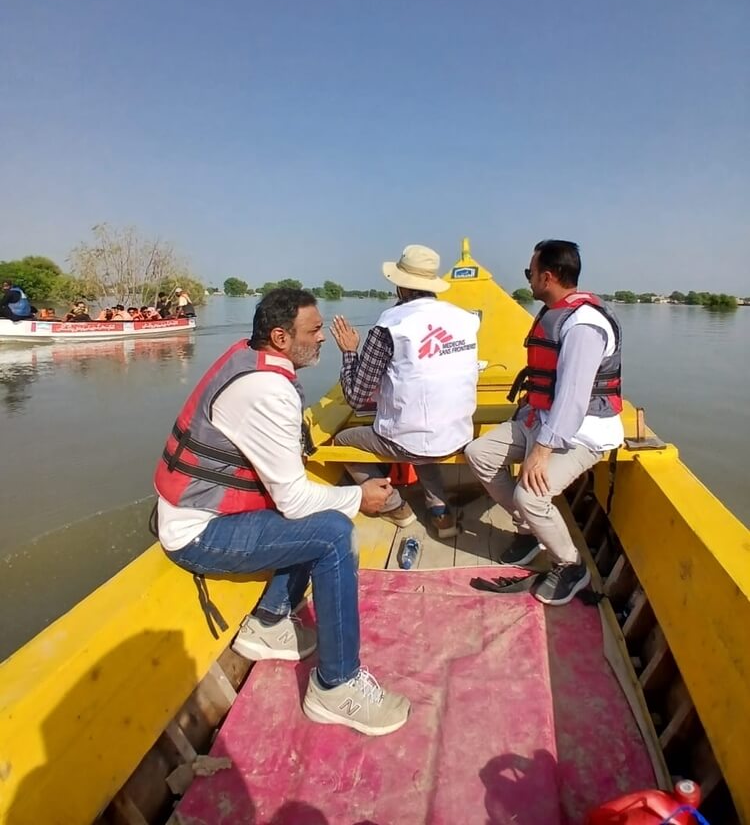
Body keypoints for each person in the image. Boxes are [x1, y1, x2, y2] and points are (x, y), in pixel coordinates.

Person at [153, 288, 410, 736]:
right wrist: (360, 497)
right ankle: (336, 686)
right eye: (313, 331)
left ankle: (269, 622)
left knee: (319, 519)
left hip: (194, 512)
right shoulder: (269, 390)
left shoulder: (249, 357)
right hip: (198, 533)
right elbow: (293, 501)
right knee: (331, 531)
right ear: (280, 337)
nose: (323, 339)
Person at [464, 240, 623, 606]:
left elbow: (573, 398)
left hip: (583, 431)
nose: (529, 280)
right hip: (542, 418)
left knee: (530, 493)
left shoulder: (584, 324)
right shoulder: (553, 311)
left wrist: (540, 451)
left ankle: (570, 565)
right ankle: (529, 529)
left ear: (547, 276)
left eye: (529, 273)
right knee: (480, 454)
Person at [331, 245, 480, 539]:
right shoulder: (464, 319)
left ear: (401, 286)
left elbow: (356, 395)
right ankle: (441, 513)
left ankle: (395, 506)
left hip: (412, 440)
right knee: (423, 436)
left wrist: (349, 352)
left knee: (341, 443)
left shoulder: (391, 324)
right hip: (459, 434)